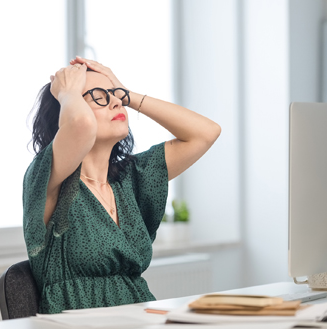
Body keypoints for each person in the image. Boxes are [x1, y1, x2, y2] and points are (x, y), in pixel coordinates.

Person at [23, 56, 221, 314]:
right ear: (65, 109)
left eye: (115, 94)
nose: (116, 102)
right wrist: (67, 90)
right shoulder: (48, 177)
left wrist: (128, 95)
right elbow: (80, 125)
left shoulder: (131, 178)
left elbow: (206, 132)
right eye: (98, 96)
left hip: (140, 318)